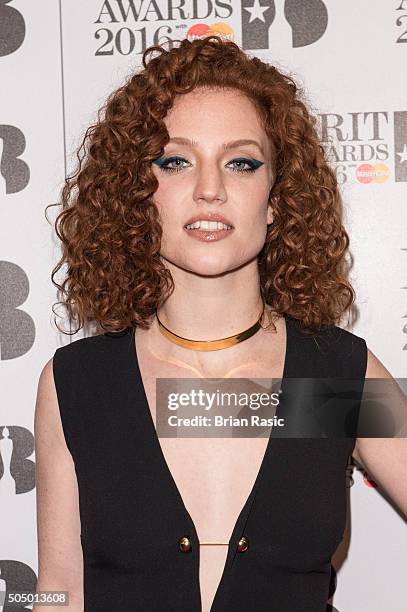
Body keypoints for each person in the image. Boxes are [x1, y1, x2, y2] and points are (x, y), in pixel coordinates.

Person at [34, 36, 407, 612]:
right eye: (175, 160)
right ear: (139, 193)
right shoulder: (82, 385)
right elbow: (58, 590)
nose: (210, 189)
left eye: (242, 162)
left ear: (276, 197)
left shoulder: (331, 380)